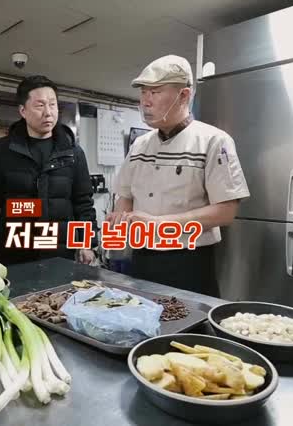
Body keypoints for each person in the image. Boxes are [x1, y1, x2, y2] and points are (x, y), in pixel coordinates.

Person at [107, 55, 250, 296]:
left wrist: (160, 224)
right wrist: (121, 222)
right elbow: (125, 196)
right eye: (143, 92)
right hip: (141, 259)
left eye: (155, 92)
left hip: (189, 262)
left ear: (184, 95)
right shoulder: (140, 145)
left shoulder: (213, 141)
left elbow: (226, 211)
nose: (145, 101)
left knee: (189, 320)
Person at [0, 75, 97, 265]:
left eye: (52, 104)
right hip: (14, 251)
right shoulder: (3, 150)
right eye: (40, 105)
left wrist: (86, 243)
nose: (48, 112)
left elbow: (83, 202)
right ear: (23, 111)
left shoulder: (73, 152)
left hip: (59, 252)